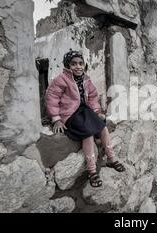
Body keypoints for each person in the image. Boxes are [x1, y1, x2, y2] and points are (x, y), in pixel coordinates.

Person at [45, 50, 125, 188]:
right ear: (67, 66)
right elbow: (51, 98)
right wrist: (56, 119)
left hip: (85, 111)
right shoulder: (61, 80)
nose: (78, 67)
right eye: (74, 64)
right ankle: (92, 170)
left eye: (81, 63)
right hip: (70, 114)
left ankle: (111, 158)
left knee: (102, 126)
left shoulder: (86, 80)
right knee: (87, 133)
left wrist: (97, 111)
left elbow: (93, 97)